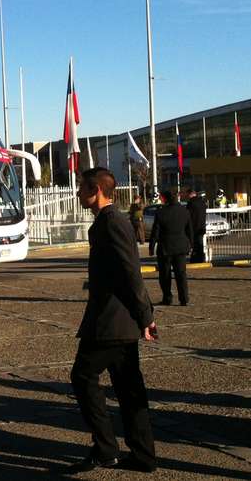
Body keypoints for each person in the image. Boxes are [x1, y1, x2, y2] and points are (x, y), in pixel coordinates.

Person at [67, 167, 158, 473]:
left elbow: (130, 271)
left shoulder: (113, 222)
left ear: (96, 191)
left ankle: (106, 448)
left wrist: (145, 315)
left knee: (82, 377)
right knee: (129, 388)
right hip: (120, 320)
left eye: (82, 188)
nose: (78, 194)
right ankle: (143, 455)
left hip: (111, 322)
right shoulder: (106, 222)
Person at [149, 189, 193, 306]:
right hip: (180, 246)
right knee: (181, 274)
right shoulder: (185, 211)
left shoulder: (161, 212)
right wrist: (191, 244)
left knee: (165, 275)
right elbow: (189, 230)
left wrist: (151, 246)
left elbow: (155, 231)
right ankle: (184, 299)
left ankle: (167, 298)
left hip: (165, 247)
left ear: (166, 198)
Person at [186, 188, 207, 263]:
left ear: (190, 194)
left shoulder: (191, 203)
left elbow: (188, 216)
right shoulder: (202, 202)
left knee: (194, 244)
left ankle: (195, 258)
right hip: (201, 226)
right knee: (200, 244)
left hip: (193, 227)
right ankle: (201, 258)